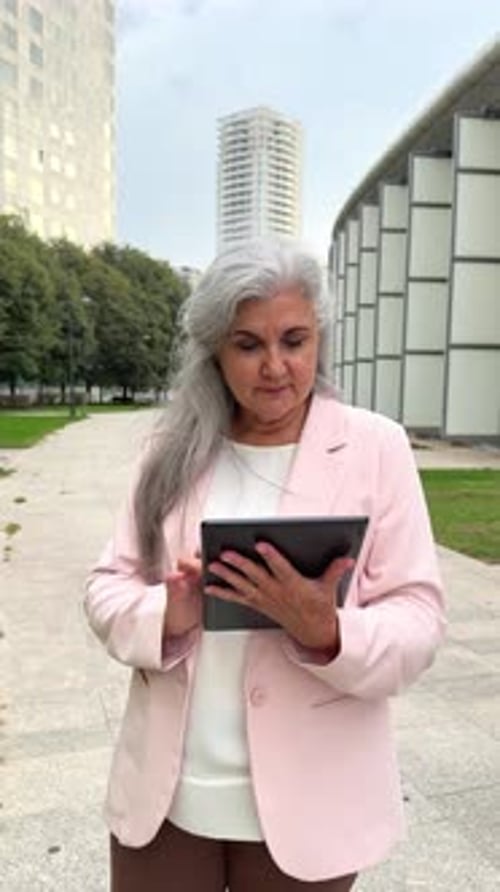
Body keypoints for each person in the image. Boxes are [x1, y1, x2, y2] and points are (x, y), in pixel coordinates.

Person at [85, 237, 445, 892]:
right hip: (168, 796)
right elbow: (107, 588)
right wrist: (169, 611)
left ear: (320, 341)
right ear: (215, 351)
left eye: (295, 340)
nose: (275, 366)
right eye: (248, 344)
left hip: (314, 801)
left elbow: (419, 619)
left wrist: (330, 632)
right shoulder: (171, 448)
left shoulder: (375, 448)